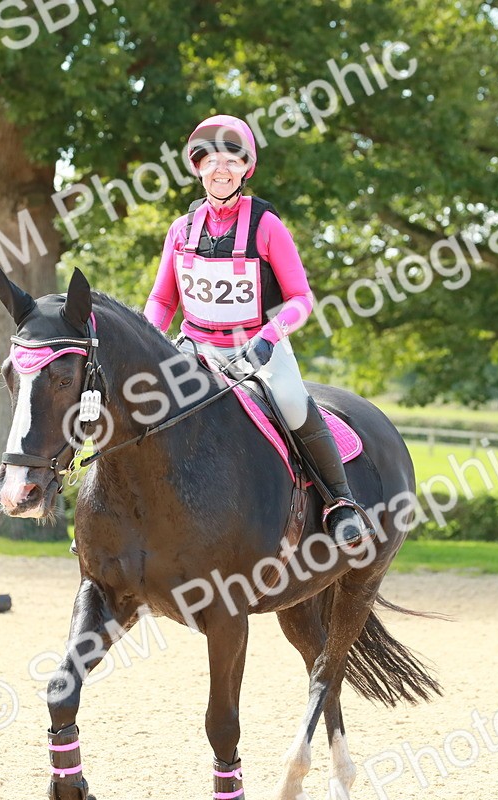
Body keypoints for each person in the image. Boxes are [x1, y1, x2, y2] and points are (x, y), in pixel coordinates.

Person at [143, 114, 369, 549]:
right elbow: (163, 301)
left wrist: (269, 336)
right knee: (138, 401)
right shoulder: (180, 230)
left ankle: (340, 502)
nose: (221, 169)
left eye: (232, 160)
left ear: (247, 168)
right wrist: (150, 341)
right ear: (197, 167)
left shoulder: (267, 226)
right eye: (211, 160)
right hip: (195, 348)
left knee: (291, 402)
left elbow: (301, 298)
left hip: (256, 347)